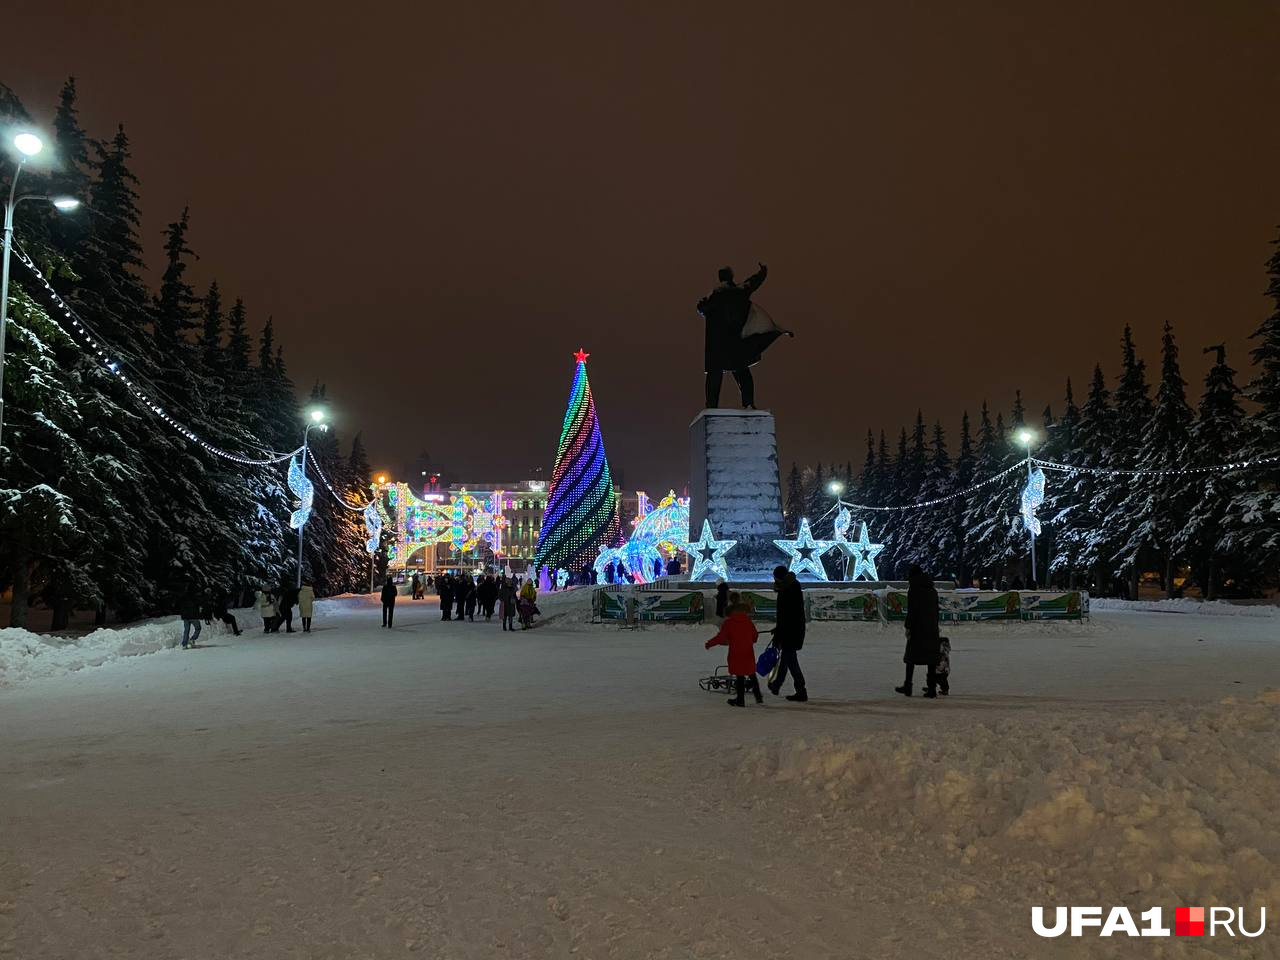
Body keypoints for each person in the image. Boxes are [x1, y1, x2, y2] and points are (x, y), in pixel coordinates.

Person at [697, 262, 792, 409]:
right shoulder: (738, 292)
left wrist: (703, 308)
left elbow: (702, 308)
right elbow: (753, 282)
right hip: (734, 343)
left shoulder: (714, 297)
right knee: (742, 373)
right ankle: (748, 404)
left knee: (715, 377)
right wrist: (762, 272)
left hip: (716, 346)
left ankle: (712, 407)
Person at [705, 592, 763, 707]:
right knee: (751, 674)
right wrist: (751, 640)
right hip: (747, 651)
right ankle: (758, 697)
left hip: (736, 653)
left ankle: (740, 700)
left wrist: (709, 644)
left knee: (740, 676)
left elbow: (721, 637)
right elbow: (755, 635)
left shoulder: (729, 623)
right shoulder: (747, 620)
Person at [897, 565, 941, 698]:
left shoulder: (914, 590)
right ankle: (932, 688)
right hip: (931, 628)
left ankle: (908, 686)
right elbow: (936, 610)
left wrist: (908, 627)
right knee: (931, 659)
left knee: (910, 658)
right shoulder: (932, 590)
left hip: (918, 629)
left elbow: (912, 611)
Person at [767, 566, 807, 701]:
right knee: (786, 659)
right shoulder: (790, 587)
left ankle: (801, 690)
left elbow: (787, 615)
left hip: (791, 632)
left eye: (775, 577)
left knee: (791, 661)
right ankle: (777, 685)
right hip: (792, 630)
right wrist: (778, 628)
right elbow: (787, 615)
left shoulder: (787, 590)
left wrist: (780, 630)